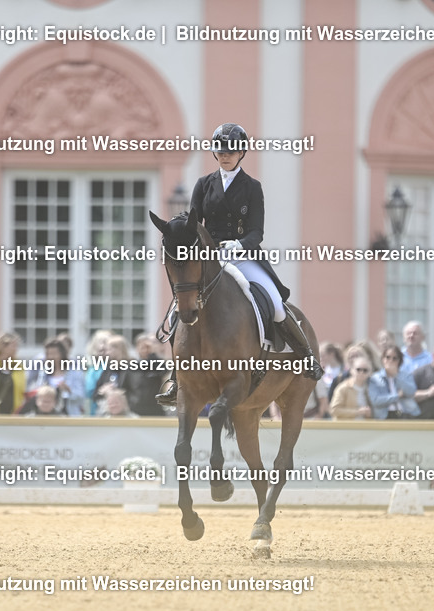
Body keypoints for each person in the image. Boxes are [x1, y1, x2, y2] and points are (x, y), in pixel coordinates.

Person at [155, 122, 324, 406]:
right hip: (210, 257)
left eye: (231, 151)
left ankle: (306, 356)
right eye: (221, 150)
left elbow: (257, 231)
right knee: (178, 310)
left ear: (241, 152)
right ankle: (177, 378)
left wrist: (240, 244)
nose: (225, 155)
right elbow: (195, 221)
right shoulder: (204, 184)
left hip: (243, 255)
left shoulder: (252, 187)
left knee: (275, 303)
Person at [26, 338, 85, 415]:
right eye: (49, 354)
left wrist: (68, 390)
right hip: (47, 415)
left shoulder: (75, 372)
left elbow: (81, 397)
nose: (51, 357)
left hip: (69, 414)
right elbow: (38, 391)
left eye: (54, 353)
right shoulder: (44, 372)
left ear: (62, 354)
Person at [369, 345, 420, 419]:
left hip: (405, 414)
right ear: (383, 359)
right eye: (388, 357)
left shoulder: (406, 375)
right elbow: (376, 401)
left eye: (394, 358)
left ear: (399, 361)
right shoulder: (375, 378)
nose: (390, 361)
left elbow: (411, 392)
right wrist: (396, 396)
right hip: (384, 416)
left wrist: (396, 376)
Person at [329, 353, 373, 420]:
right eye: (358, 369)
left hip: (364, 428)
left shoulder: (370, 389)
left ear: (369, 373)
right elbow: (334, 410)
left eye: (365, 370)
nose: (361, 372)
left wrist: (369, 414)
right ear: (352, 370)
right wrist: (357, 412)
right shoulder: (343, 388)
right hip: (345, 428)